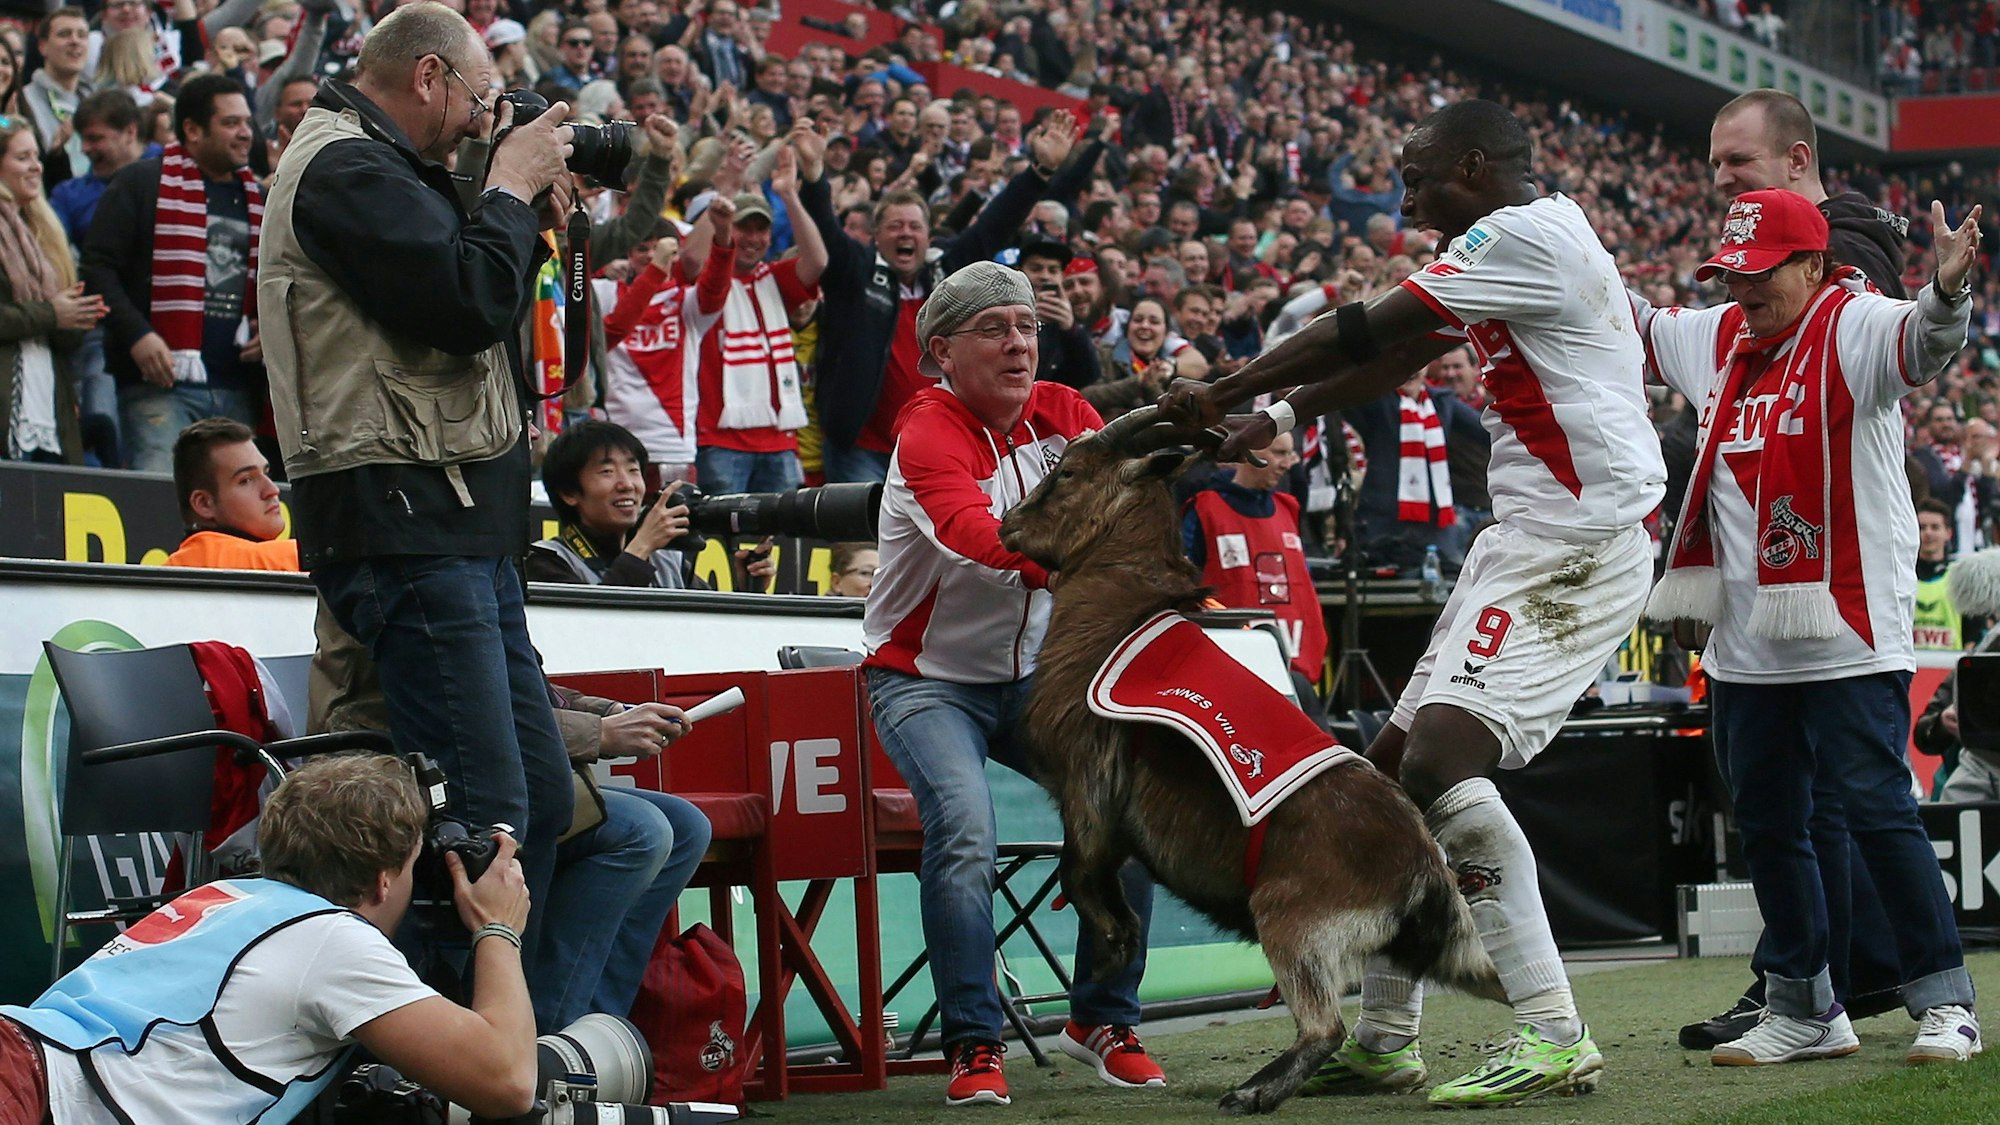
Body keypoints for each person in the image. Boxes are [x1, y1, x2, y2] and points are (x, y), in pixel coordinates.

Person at [1161, 99, 1666, 1106]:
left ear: (1472, 167)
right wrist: (1280, 409)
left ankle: (1553, 1029)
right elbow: (1395, 358)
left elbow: (1363, 328)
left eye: (1416, 177)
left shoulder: (1515, 233)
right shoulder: (1534, 236)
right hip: (1525, 539)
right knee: (1387, 780)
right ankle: (1387, 1037)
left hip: (1578, 541)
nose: (1402, 199)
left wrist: (1221, 393)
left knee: (1439, 759)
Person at [256, 0, 579, 990]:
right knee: (483, 817)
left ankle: (507, 1040)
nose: (490, 121)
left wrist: (526, 212)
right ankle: (439, 1058)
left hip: (455, 525)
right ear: (427, 76)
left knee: (538, 804)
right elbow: (461, 305)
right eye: (481, 97)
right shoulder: (344, 167)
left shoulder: (393, 170)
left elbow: (484, 301)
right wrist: (511, 191)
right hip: (406, 524)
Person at [1635, 188, 1982, 1066]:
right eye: (1730, 275)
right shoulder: (1718, 335)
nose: (1741, 292)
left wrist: (1944, 291)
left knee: (1876, 808)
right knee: (1770, 821)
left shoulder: (1853, 321)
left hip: (1848, 626)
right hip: (1746, 637)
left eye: (1758, 275)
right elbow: (1632, 321)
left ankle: (1944, 997)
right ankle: (1804, 1004)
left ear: (1809, 264)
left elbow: (1926, 341)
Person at [864, 262, 1165, 1107]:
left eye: (1027, 326)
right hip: (923, 682)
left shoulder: (1068, 414)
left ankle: (1103, 1018)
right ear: (940, 352)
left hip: (1036, 676)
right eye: (994, 327)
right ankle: (972, 1041)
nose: (1019, 342)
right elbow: (977, 536)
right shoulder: (927, 428)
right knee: (964, 831)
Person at [1680, 86, 1913, 1051]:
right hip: (1778, 581)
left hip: (1835, 581)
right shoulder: (1786, 252)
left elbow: (1872, 356)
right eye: (1715, 165)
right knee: (1799, 802)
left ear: (1799, 161)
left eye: (1738, 162)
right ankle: (1821, 980)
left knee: (1827, 799)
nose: (1722, 179)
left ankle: (1826, 978)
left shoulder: (1842, 252)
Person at [0, 754, 541, 1124]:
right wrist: (497, 928)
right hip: (33, 1095)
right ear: (383, 880)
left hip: (24, 1054)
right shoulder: (331, 939)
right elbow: (508, 1082)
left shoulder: (223, 896)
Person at [795, 110, 1082, 485]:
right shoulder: (855, 272)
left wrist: (1040, 171)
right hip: (861, 450)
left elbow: (994, 224)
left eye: (915, 226)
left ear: (929, 236)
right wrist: (815, 175)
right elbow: (827, 234)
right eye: (895, 226)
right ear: (876, 235)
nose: (906, 234)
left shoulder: (947, 272)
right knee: (862, 544)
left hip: (936, 444)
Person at [82, 72, 263, 474]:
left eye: (248, 122)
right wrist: (138, 335)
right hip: (158, 388)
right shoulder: (141, 183)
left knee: (236, 525)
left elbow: (283, 283)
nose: (245, 133)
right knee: (159, 509)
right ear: (192, 130)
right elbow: (97, 268)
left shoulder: (260, 198)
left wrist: (269, 332)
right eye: (231, 123)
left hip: (237, 385)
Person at [689, 144, 826, 494]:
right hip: (720, 439)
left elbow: (818, 261)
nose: (752, 239)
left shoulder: (774, 278)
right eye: (742, 229)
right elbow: (692, 258)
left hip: (780, 440)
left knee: (779, 546)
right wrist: (727, 192)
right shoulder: (709, 279)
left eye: (760, 230)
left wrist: (789, 196)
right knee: (722, 544)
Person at [1181, 428, 1329, 710]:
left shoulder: (1288, 508)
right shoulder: (1204, 509)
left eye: (1291, 454)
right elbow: (1187, 584)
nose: (1287, 464)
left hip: (1294, 666)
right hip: (1234, 664)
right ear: (1249, 453)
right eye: (1279, 453)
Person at [0, 115, 103, 463]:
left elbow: (59, 334)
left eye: (37, 157)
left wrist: (76, 317)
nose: (36, 167)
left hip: (49, 406)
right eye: (22, 157)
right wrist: (52, 313)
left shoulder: (44, 231)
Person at [1342, 370, 1487, 572]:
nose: (1411, 371)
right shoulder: (1375, 399)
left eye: (1420, 364)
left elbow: (1486, 430)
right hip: (1383, 518)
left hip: (1435, 520)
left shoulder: (1440, 400)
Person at [163, 416, 298, 570]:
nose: (272, 490)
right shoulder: (295, 559)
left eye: (266, 473)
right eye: (246, 480)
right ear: (204, 503)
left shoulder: (169, 571)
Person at [1012, 234, 1100, 390]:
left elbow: (1088, 376)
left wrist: (1071, 330)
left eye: (1053, 270)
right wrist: (1028, 323)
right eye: (1036, 269)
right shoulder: (1005, 311)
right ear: (1020, 272)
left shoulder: (1071, 323)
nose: (1045, 276)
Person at [1915, 498, 1964, 650]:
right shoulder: (1900, 576)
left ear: (1948, 533)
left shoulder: (1960, 579)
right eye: (1922, 527)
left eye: (1935, 527)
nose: (1928, 533)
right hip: (1909, 669)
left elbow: (1974, 635)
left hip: (1949, 668)